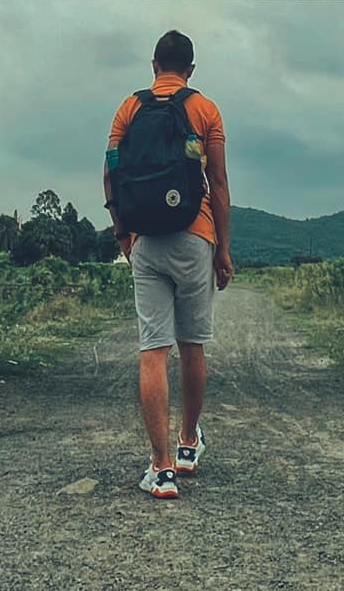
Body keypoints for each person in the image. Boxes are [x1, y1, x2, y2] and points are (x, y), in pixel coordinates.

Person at [103, 29, 233, 500]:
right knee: (192, 346)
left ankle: (160, 470)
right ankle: (186, 444)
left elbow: (112, 171)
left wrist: (123, 233)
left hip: (145, 239)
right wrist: (222, 249)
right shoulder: (205, 109)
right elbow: (217, 183)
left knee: (153, 349)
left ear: (154, 65)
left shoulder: (129, 108)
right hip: (194, 235)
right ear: (190, 69)